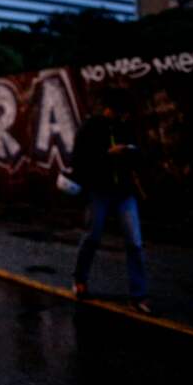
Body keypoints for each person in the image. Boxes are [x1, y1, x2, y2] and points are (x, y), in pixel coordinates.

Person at [71, 88, 150, 313]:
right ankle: (80, 280)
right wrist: (107, 155)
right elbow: (79, 160)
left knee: (135, 243)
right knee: (92, 237)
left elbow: (141, 155)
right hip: (99, 191)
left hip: (125, 192)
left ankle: (139, 295)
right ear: (110, 109)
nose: (124, 115)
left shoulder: (126, 128)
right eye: (120, 111)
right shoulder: (91, 128)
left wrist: (129, 152)